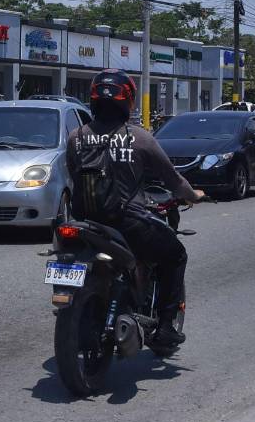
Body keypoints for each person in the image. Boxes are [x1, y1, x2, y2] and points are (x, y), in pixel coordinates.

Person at [64, 69, 206, 350]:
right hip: (127, 222)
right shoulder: (139, 138)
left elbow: (73, 175)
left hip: (84, 223)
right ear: (127, 102)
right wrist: (195, 195)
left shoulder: (75, 138)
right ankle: (165, 327)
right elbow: (174, 181)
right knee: (175, 255)